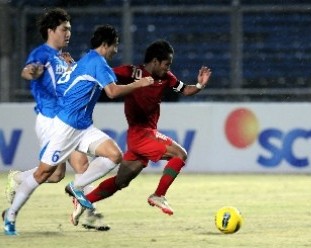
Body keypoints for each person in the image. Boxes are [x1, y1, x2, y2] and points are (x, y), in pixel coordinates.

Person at [2, 24, 154, 236]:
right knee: (47, 173)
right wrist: (140, 84)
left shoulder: (89, 61)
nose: (116, 50)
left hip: (83, 127)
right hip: (65, 128)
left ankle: (77, 188)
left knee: (114, 155)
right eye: (115, 45)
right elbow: (111, 91)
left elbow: (94, 78)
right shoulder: (96, 62)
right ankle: (11, 215)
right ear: (106, 44)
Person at [69, 39, 211, 225]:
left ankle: (83, 202)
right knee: (180, 154)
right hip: (141, 134)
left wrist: (199, 85)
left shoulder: (167, 77)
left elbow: (185, 90)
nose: (168, 68)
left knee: (121, 182)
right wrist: (74, 66)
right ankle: (158, 195)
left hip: (142, 136)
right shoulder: (131, 73)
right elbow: (101, 73)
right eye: (166, 64)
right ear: (155, 61)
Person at [4, 8, 109, 231]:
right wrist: (33, 72)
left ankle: (19, 179)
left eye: (69, 29)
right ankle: (90, 214)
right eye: (64, 29)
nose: (68, 33)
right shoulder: (43, 53)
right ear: (51, 30)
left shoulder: (64, 58)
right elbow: (27, 71)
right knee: (80, 164)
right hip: (52, 120)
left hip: (67, 119)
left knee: (55, 175)